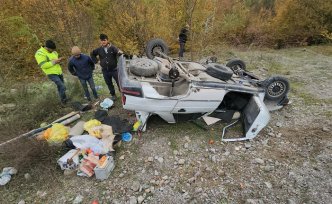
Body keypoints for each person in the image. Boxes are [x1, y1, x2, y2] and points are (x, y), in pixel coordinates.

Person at [35, 40, 67, 104]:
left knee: (60, 87)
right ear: (47, 47)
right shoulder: (39, 53)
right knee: (63, 86)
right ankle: (63, 100)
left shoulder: (54, 52)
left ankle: (64, 101)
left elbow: (54, 61)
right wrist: (54, 62)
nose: (53, 51)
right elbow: (43, 65)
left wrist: (59, 61)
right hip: (51, 73)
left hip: (59, 72)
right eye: (51, 49)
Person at [90, 34, 122, 101]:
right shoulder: (99, 49)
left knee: (119, 82)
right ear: (100, 41)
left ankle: (122, 94)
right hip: (105, 71)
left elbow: (118, 52)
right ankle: (113, 95)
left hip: (114, 70)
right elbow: (92, 54)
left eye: (104, 40)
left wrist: (119, 52)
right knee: (109, 83)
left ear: (107, 40)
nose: (103, 42)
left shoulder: (113, 47)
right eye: (101, 41)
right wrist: (96, 61)